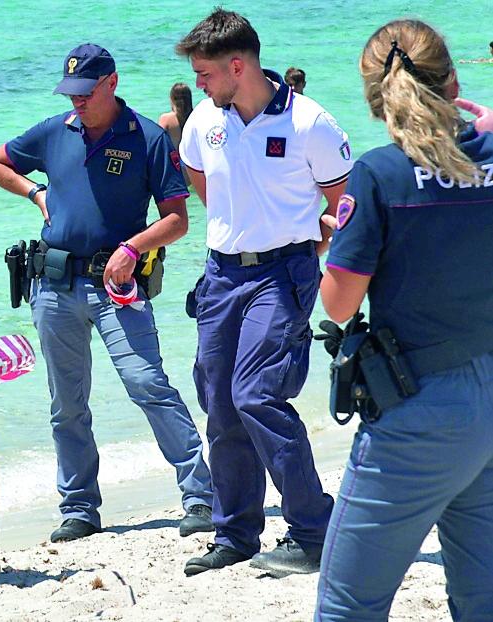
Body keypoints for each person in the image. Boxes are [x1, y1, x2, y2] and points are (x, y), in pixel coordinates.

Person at [0, 43, 214, 544]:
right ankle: (79, 508)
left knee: (146, 383)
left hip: (119, 287)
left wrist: (132, 247)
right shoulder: (52, 131)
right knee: (66, 404)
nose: (78, 102)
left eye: (86, 92)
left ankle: (200, 495)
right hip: (53, 285)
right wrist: (35, 193)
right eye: (71, 93)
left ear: (111, 83)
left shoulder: (148, 139)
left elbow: (177, 219)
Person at [314, 20, 493, 620]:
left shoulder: (377, 175)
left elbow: (338, 305)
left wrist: (336, 242)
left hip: (419, 409)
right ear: (454, 80)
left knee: (348, 606)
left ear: (376, 99)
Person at [174, 8, 352, 577]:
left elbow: (344, 208)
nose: (198, 84)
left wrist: (301, 254)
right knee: (220, 403)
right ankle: (236, 534)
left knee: (256, 396)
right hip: (222, 275)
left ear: (236, 65)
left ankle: (314, 530)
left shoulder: (310, 123)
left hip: (283, 274)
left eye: (205, 73)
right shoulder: (206, 119)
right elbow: (203, 183)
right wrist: (239, 232)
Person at [158, 82, 195, 148]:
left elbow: (158, 143)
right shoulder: (198, 117)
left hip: (173, 157)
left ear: (172, 99)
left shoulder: (166, 119)